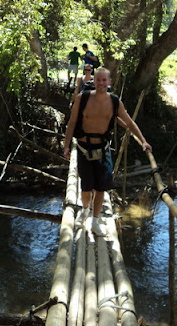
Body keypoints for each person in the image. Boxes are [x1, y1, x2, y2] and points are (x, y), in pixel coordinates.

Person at [63, 68, 152, 236]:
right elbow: (72, 123)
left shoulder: (115, 102)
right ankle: (85, 209)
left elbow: (130, 123)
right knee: (86, 186)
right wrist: (67, 146)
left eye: (105, 80)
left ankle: (95, 221)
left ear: (110, 82)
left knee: (101, 188)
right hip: (83, 148)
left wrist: (143, 141)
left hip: (103, 149)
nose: (102, 83)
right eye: (99, 80)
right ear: (94, 82)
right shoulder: (82, 99)